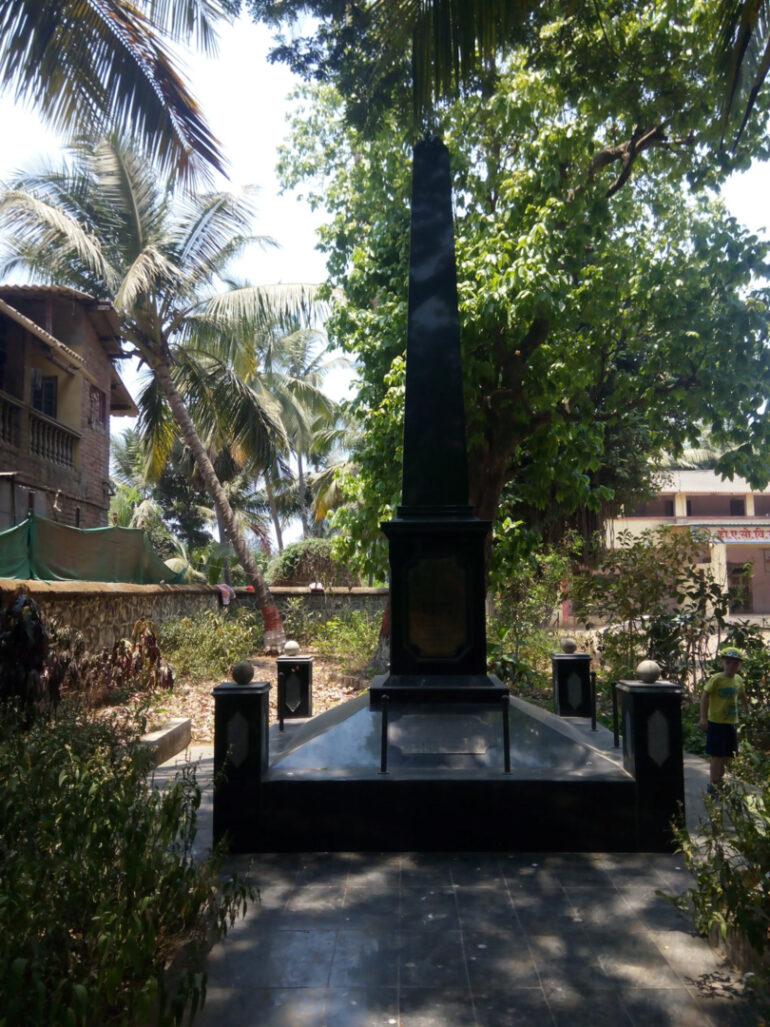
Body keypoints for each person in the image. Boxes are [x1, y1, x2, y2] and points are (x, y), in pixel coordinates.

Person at [700, 645, 748, 794]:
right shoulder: (716, 679)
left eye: (735, 663)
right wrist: (703, 718)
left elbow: (742, 695)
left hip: (731, 723)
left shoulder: (738, 680)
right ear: (722, 663)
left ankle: (719, 782)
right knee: (716, 755)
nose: (731, 666)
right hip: (716, 723)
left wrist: (745, 707)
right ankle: (713, 784)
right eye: (728, 663)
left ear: (739, 665)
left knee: (727, 755)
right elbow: (704, 696)